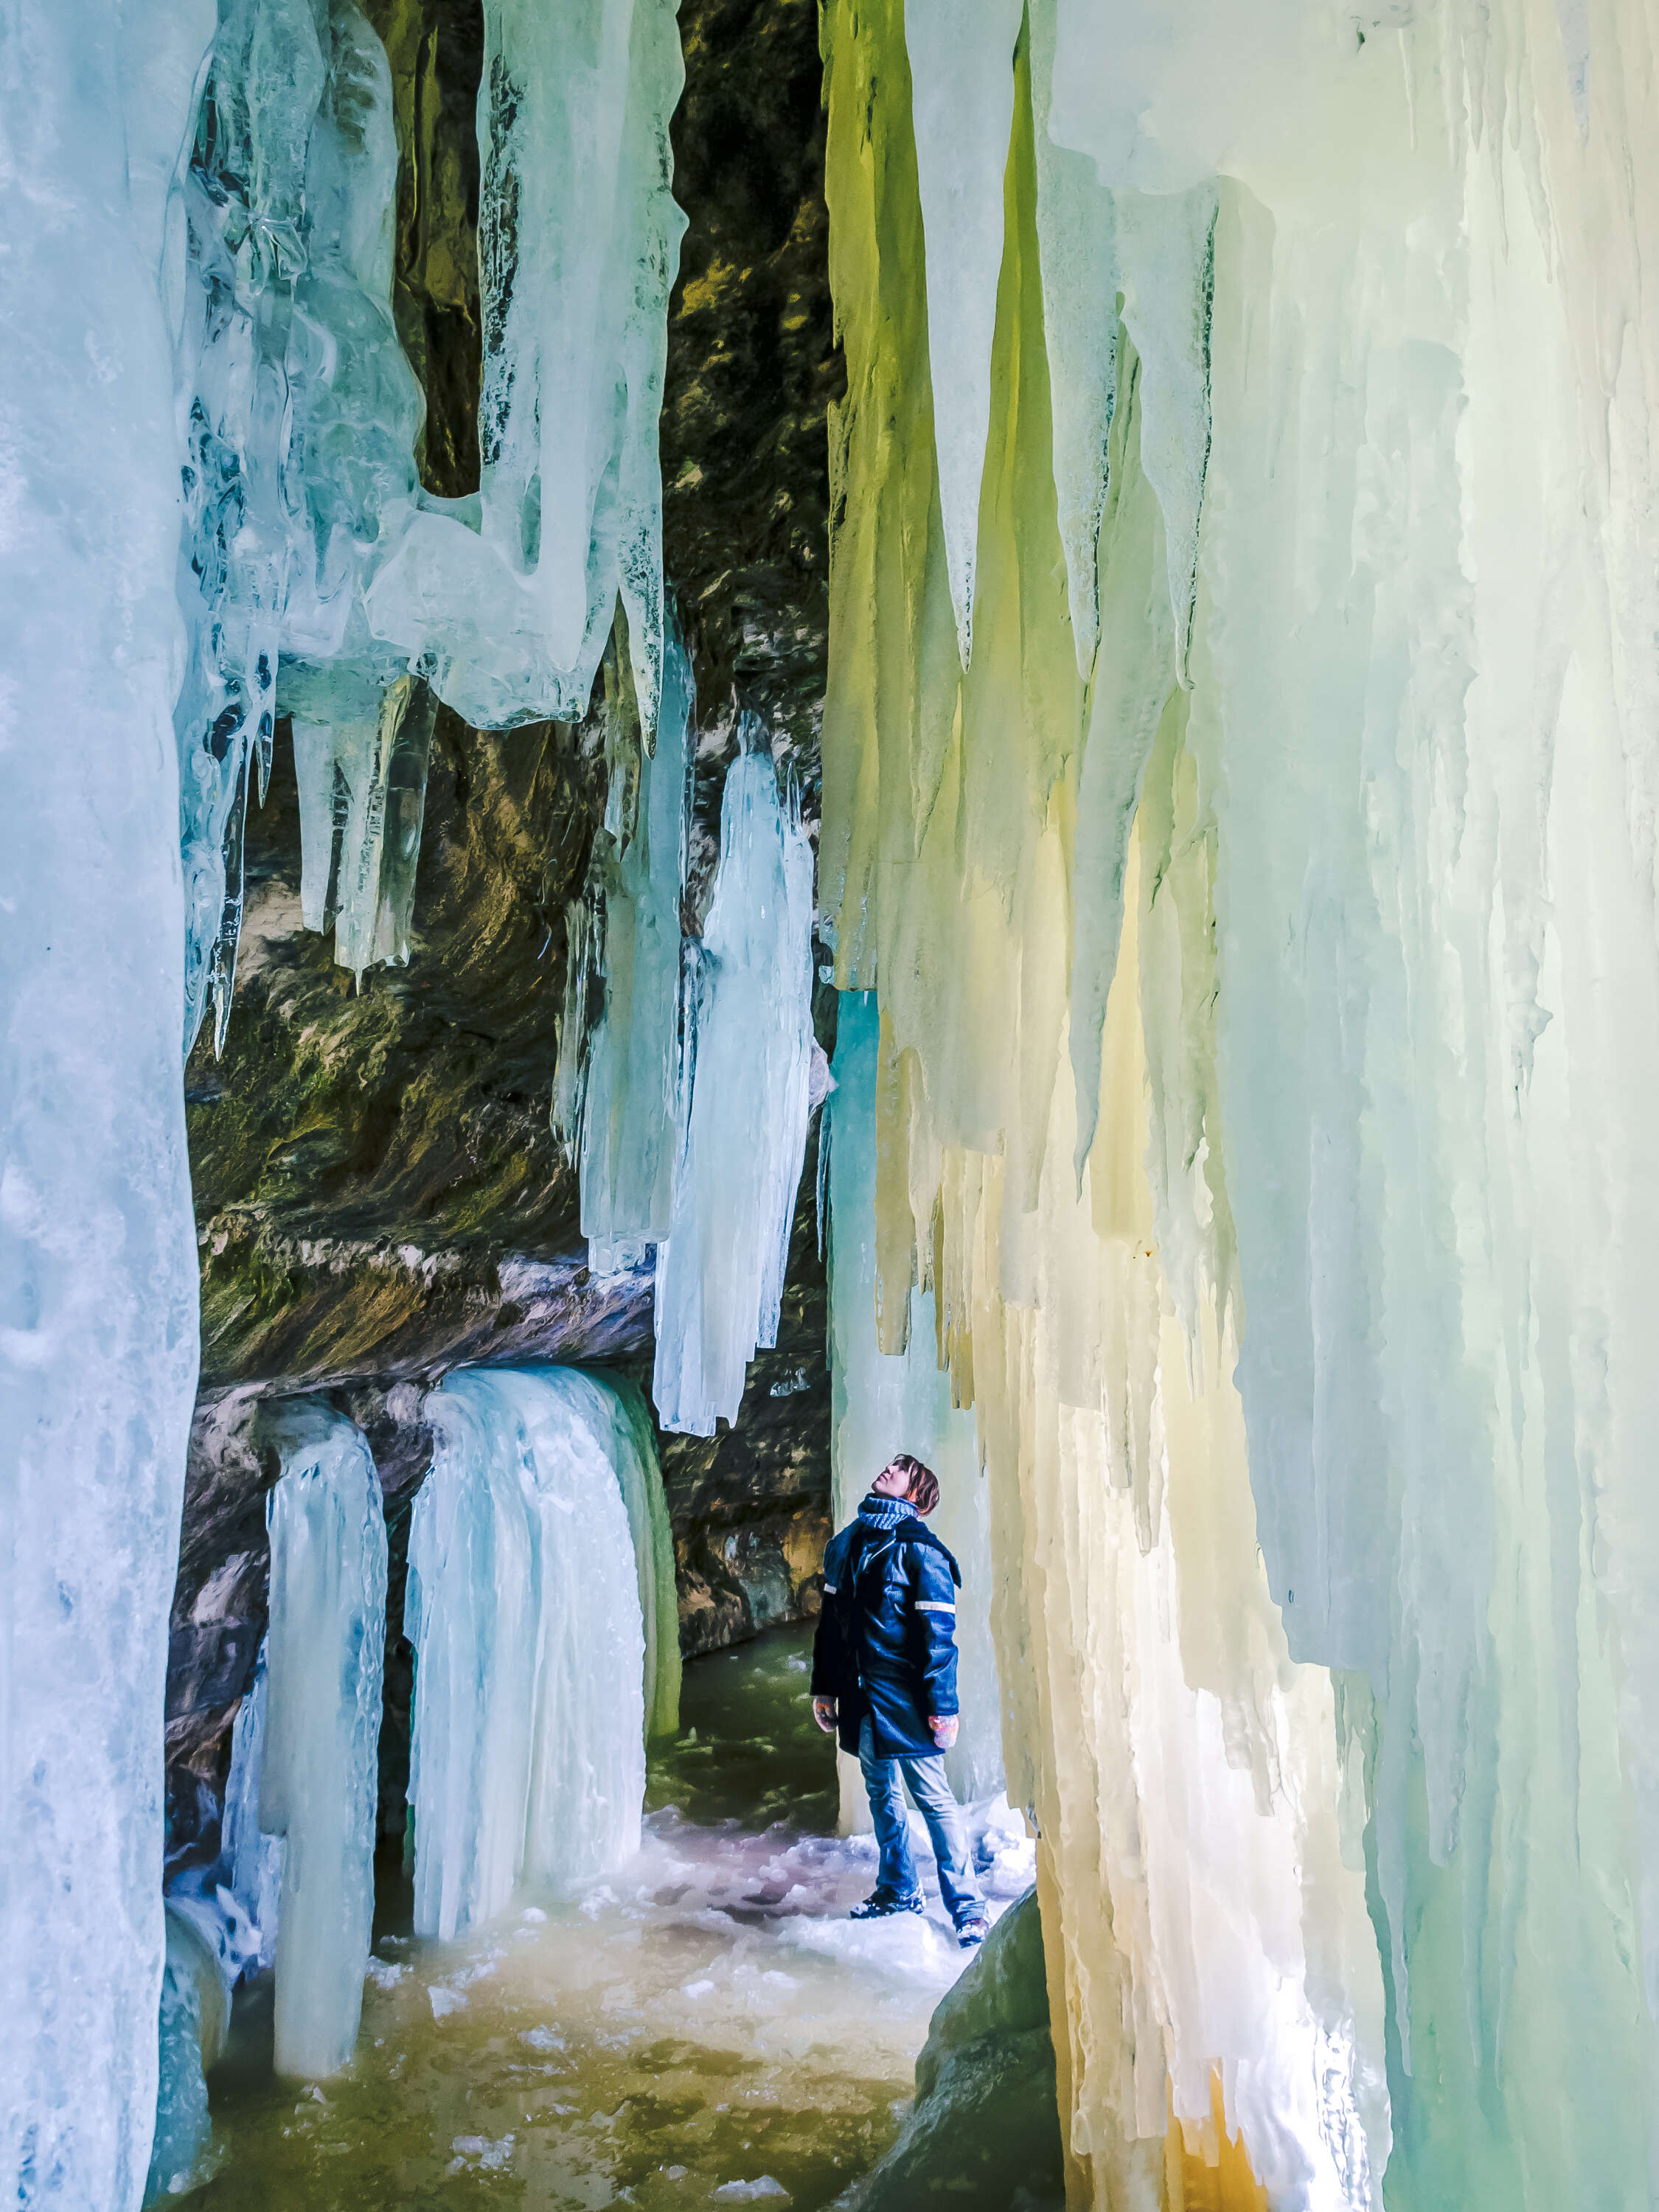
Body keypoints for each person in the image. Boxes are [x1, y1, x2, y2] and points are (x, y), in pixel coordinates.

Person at [810, 1451, 990, 1948]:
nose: (888, 1468)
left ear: (918, 1496)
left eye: (902, 1468)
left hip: (907, 1701)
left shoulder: (922, 1553)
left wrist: (943, 1707)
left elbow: (939, 1638)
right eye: (890, 1463)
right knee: (881, 1794)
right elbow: (832, 1627)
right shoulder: (847, 1543)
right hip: (862, 1697)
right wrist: (825, 1686)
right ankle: (898, 1888)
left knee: (933, 1800)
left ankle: (968, 1909)